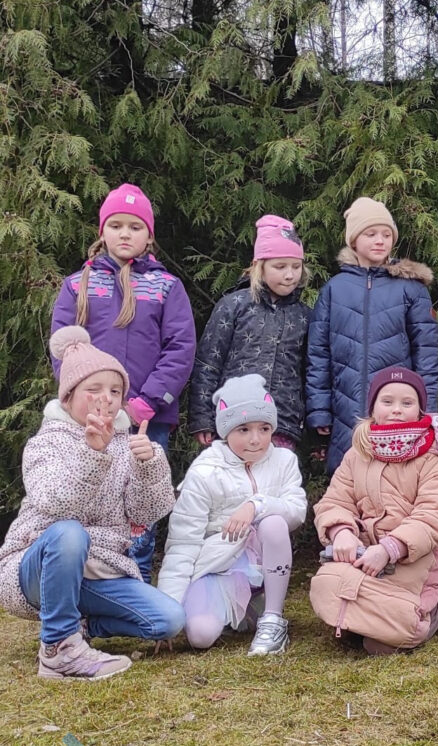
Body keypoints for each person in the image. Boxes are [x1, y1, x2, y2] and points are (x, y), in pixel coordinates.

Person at [0, 326, 184, 680]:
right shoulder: (45, 444)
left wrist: (149, 466)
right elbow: (56, 503)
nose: (106, 399)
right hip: (37, 567)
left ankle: (79, 626)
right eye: (94, 389)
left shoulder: (128, 443)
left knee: (170, 619)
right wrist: (93, 454)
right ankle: (58, 650)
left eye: (115, 391)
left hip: (101, 568)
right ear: (68, 397)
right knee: (70, 533)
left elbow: (145, 514)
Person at [50, 183, 197, 581]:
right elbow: (64, 349)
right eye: (116, 225)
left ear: (149, 235)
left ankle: (139, 582)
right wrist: (83, 401)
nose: (125, 234)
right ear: (103, 231)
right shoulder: (77, 285)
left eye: (135, 226)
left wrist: (146, 403)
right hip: (90, 418)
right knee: (90, 494)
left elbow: (180, 348)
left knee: (141, 501)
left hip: (147, 418)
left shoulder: (167, 287)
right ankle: (85, 585)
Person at [310, 367, 438, 655]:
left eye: (407, 403)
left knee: (381, 645)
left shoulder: (434, 459)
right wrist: (341, 531)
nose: (396, 409)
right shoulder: (357, 454)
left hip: (413, 558)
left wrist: (390, 548)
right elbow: (335, 500)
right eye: (387, 401)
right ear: (373, 408)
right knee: (324, 584)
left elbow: (433, 516)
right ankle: (370, 617)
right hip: (364, 556)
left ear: (419, 410)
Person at [158, 375, 307, 655]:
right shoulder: (205, 472)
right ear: (226, 432)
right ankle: (238, 609)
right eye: (244, 429)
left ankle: (272, 618)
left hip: (264, 559)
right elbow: (182, 543)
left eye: (264, 428)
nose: (256, 439)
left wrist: (255, 506)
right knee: (200, 636)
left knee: (274, 523)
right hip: (217, 565)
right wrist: (166, 610)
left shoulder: (284, 460)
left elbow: (296, 510)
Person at [306, 197, 438, 473]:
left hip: (396, 410)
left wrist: (428, 407)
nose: (380, 241)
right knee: (348, 476)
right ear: (354, 240)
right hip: (346, 407)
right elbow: (318, 354)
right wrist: (319, 409)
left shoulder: (411, 289)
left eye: (386, 235)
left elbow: (426, 353)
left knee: (396, 477)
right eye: (371, 234)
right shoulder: (334, 289)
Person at [189, 215, 311, 450]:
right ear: (259, 266)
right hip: (233, 420)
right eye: (280, 266)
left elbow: (310, 374)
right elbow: (208, 363)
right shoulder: (233, 305)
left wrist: (314, 429)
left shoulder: (305, 316)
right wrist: (202, 418)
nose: (289, 275)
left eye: (296, 267)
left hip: (282, 424)